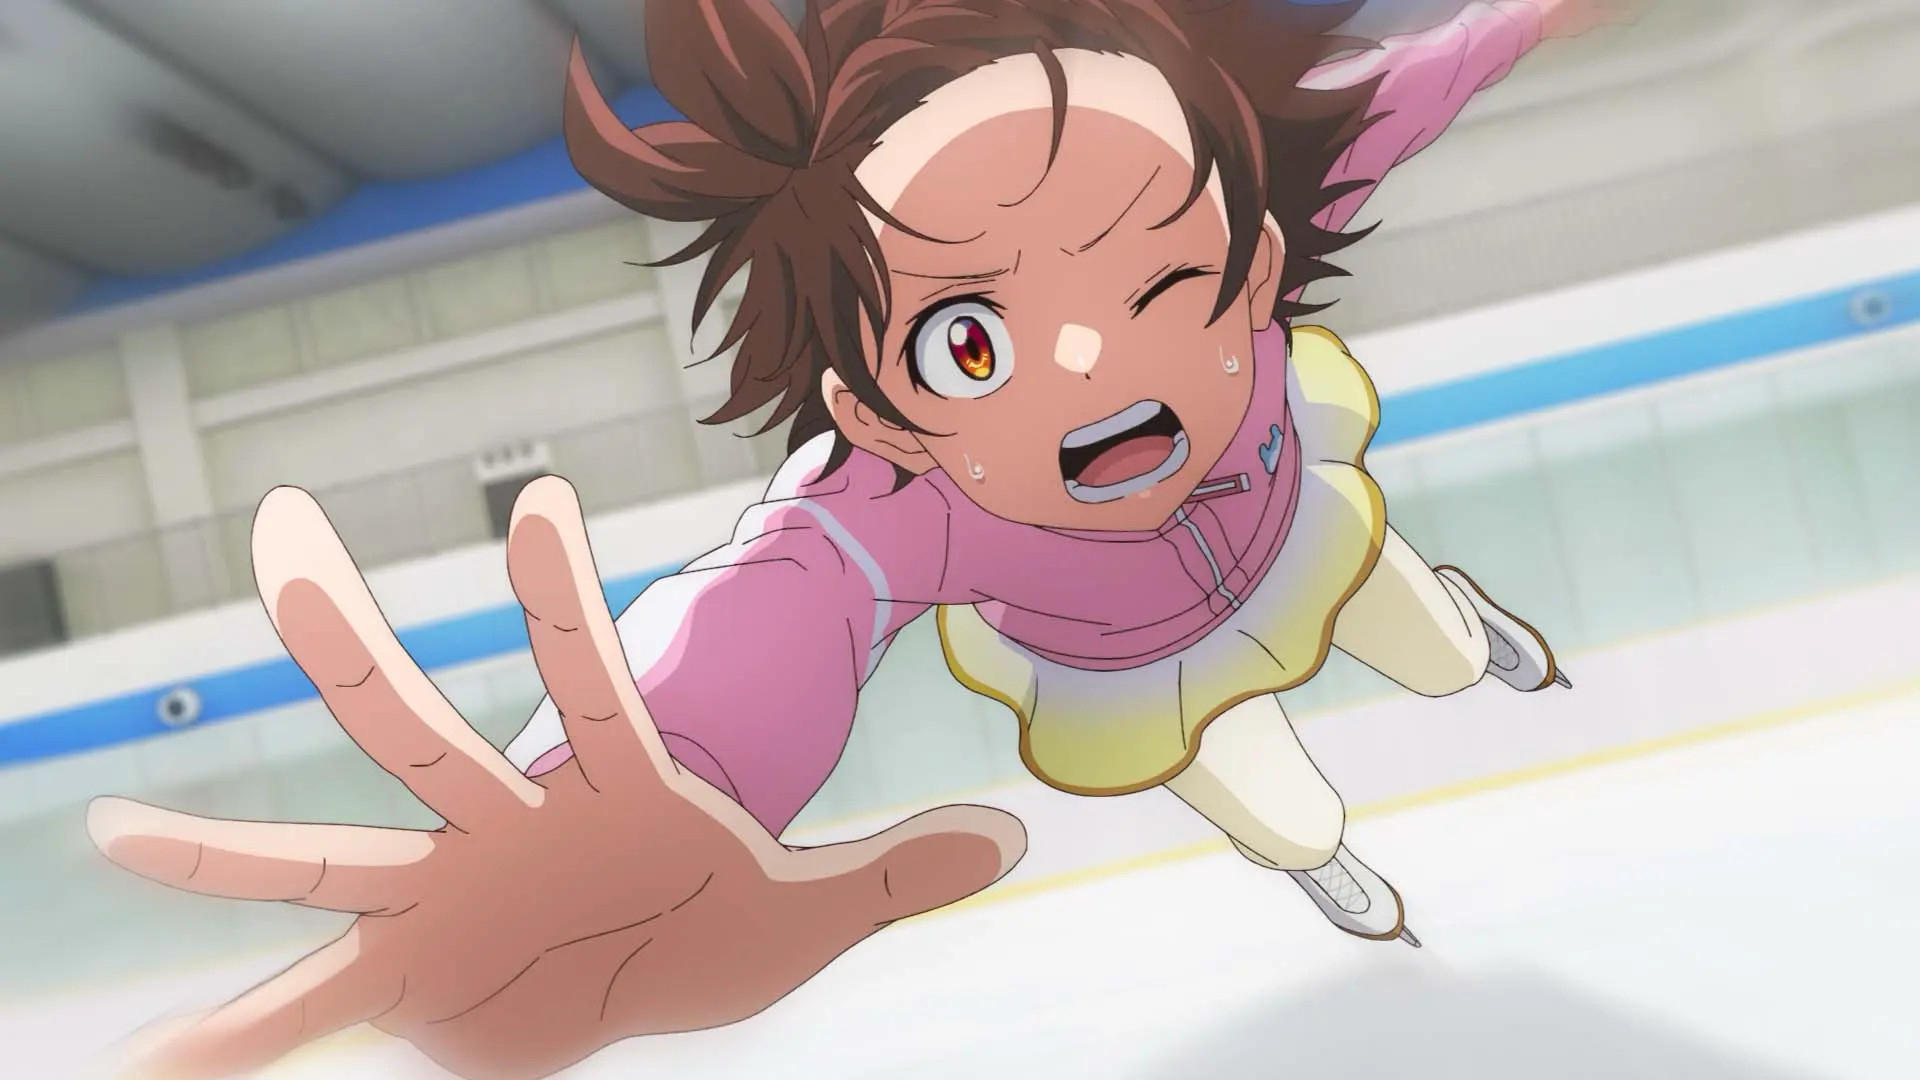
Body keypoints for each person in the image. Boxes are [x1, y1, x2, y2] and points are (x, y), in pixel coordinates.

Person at [86, 2, 1621, 1077]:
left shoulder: (1263, 192)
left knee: (1427, 643)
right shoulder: (897, 506)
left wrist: (1526, 20)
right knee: (1279, 810)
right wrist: (638, 789)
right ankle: (1328, 865)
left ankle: (1464, 631)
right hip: (1129, 671)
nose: (1093, 371)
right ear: (875, 410)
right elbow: (773, 613)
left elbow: (1401, 91)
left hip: (1293, 533)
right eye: (972, 343)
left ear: (1258, 257)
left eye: (1160, 280)